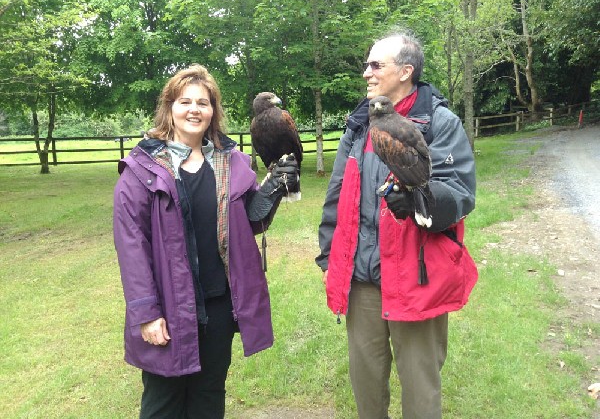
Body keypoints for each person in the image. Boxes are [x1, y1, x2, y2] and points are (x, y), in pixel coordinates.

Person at [113, 64, 298, 418]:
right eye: (185, 102)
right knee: (163, 403)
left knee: (209, 397)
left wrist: (275, 188)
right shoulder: (142, 168)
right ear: (169, 107)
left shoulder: (233, 162)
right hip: (168, 307)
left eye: (203, 102)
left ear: (213, 110)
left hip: (218, 306)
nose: (194, 110)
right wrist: (147, 313)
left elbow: (250, 222)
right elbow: (131, 246)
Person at [315, 30, 478, 419]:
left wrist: (423, 200)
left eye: (375, 65)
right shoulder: (359, 124)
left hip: (417, 276)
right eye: (366, 65)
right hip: (363, 279)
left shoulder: (439, 122)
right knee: (367, 388)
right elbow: (338, 193)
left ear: (405, 71)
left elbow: (461, 192)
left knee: (420, 391)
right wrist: (329, 257)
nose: (366, 73)